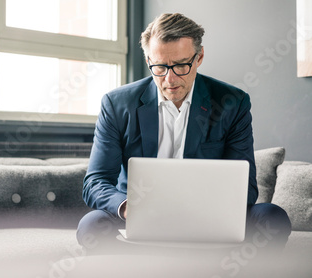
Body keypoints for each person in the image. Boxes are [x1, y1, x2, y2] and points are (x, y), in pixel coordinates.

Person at [76, 13, 291, 253]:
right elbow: (95, 182)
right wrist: (127, 207)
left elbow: (247, 189)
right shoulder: (117, 104)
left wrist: (209, 212)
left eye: (180, 65)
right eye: (159, 67)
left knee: (273, 218)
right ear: (148, 59)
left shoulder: (232, 102)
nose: (169, 79)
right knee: (92, 226)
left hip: (211, 216)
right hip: (137, 217)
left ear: (199, 57)